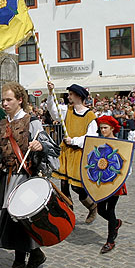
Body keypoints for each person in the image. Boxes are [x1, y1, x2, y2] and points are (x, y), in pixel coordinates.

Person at [0, 82, 59, 268]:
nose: (4, 104)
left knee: (19, 223)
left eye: (9, 100)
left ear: (20, 100)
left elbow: (52, 148)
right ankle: (35, 255)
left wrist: (40, 146)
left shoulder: (32, 123)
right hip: (7, 180)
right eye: (3, 100)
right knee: (12, 220)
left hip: (26, 179)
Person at [45, 81, 99, 224]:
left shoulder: (90, 116)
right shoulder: (67, 110)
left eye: (71, 94)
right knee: (63, 186)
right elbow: (53, 111)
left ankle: (92, 206)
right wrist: (51, 93)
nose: (68, 97)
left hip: (79, 153)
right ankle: (69, 216)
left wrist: (74, 141)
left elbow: (91, 136)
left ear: (78, 96)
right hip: (66, 152)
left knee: (77, 187)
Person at [94, 115, 127, 254]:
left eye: (105, 128)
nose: (103, 130)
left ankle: (110, 241)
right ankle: (115, 224)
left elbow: (125, 163)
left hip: (115, 181)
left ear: (112, 128)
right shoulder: (99, 143)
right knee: (101, 210)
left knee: (111, 209)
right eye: (101, 128)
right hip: (103, 180)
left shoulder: (119, 143)